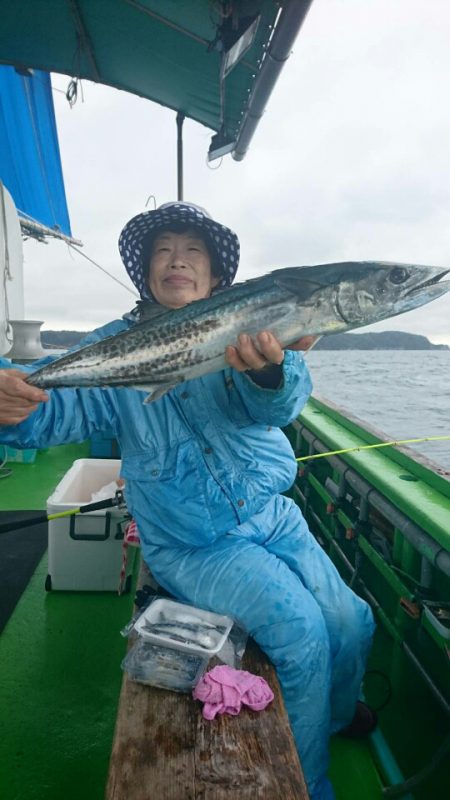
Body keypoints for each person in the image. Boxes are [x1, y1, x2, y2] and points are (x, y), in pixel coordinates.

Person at [0, 202, 375, 800]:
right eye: (163, 249)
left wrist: (269, 373)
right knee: (302, 634)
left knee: (354, 621)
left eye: (193, 250)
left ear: (215, 276)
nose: (177, 258)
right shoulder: (110, 347)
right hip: (194, 543)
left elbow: (277, 408)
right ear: (146, 270)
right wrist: (10, 405)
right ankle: (313, 783)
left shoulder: (254, 327)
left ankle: (334, 718)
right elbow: (54, 408)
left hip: (271, 514)